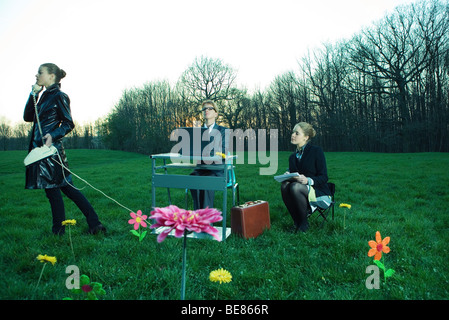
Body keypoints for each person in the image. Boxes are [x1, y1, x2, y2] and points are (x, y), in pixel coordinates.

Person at [24, 63, 106, 235]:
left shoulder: (60, 96)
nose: (36, 75)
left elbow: (68, 123)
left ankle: (62, 231)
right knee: (62, 189)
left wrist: (52, 135)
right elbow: (28, 117)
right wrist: (33, 94)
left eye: (40, 72)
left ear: (51, 76)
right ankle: (93, 224)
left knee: (59, 190)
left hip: (52, 152)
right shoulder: (42, 96)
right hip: (41, 152)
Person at [280, 122, 331, 232]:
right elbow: (295, 175)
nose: (293, 135)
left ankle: (303, 225)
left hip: (319, 192)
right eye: (293, 132)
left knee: (295, 187)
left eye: (297, 133)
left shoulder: (316, 152)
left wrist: (308, 180)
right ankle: (297, 222)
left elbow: (324, 177)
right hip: (300, 191)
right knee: (284, 185)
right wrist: (288, 175)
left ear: (306, 137)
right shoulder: (292, 157)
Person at [190, 100, 228, 210]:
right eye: (204, 109)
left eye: (210, 108)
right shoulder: (197, 132)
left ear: (216, 113)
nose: (206, 110)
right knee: (192, 180)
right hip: (200, 169)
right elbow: (193, 150)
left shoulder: (223, 131)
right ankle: (197, 218)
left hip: (216, 170)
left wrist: (207, 152)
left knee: (206, 182)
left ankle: (206, 222)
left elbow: (224, 150)